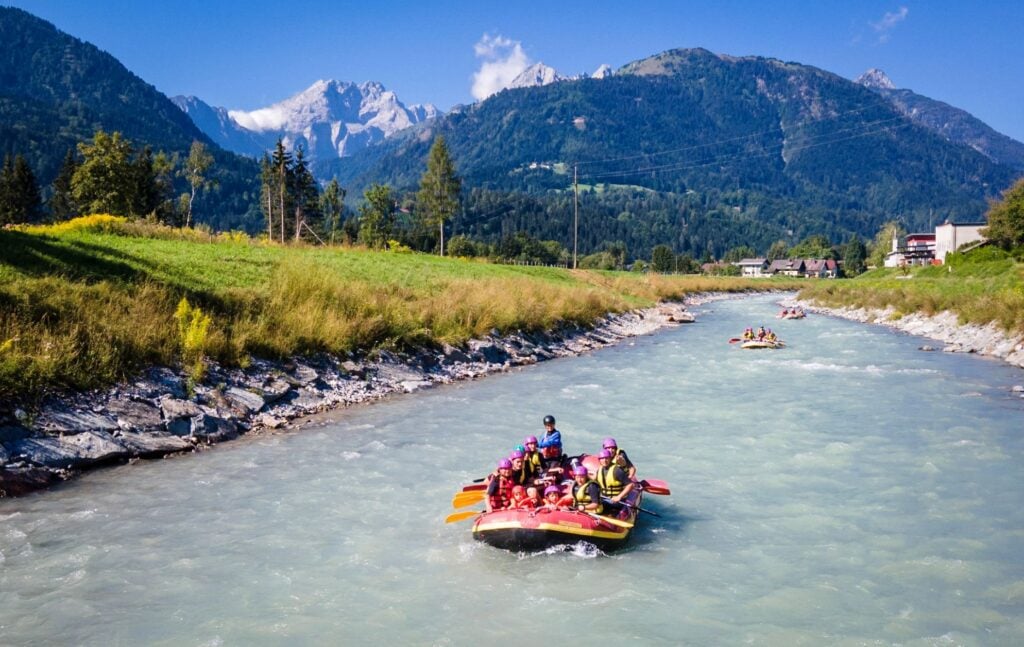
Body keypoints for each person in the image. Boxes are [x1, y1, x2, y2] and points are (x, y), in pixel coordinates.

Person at [595, 449, 635, 515]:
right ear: (599, 460)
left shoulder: (617, 471)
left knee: (599, 508)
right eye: (602, 458)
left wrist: (619, 497)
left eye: (606, 458)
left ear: (610, 459)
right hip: (604, 498)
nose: (604, 460)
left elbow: (630, 485)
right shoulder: (599, 470)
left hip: (616, 502)